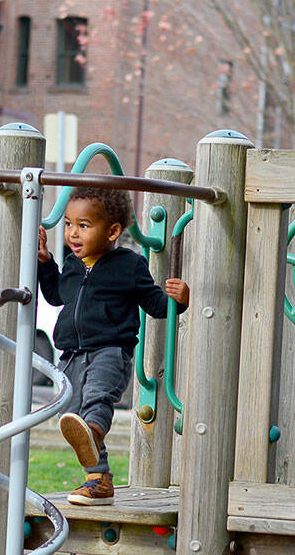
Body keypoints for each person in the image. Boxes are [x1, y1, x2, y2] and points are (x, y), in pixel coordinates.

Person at [37, 186, 189, 505]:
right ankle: (99, 480)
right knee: (71, 412)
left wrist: (180, 299)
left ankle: (93, 434)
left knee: (96, 400)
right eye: (68, 224)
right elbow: (55, 295)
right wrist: (45, 262)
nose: (73, 234)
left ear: (113, 231)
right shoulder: (73, 264)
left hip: (110, 350)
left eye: (84, 225)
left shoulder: (128, 265)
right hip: (72, 354)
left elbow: (156, 305)